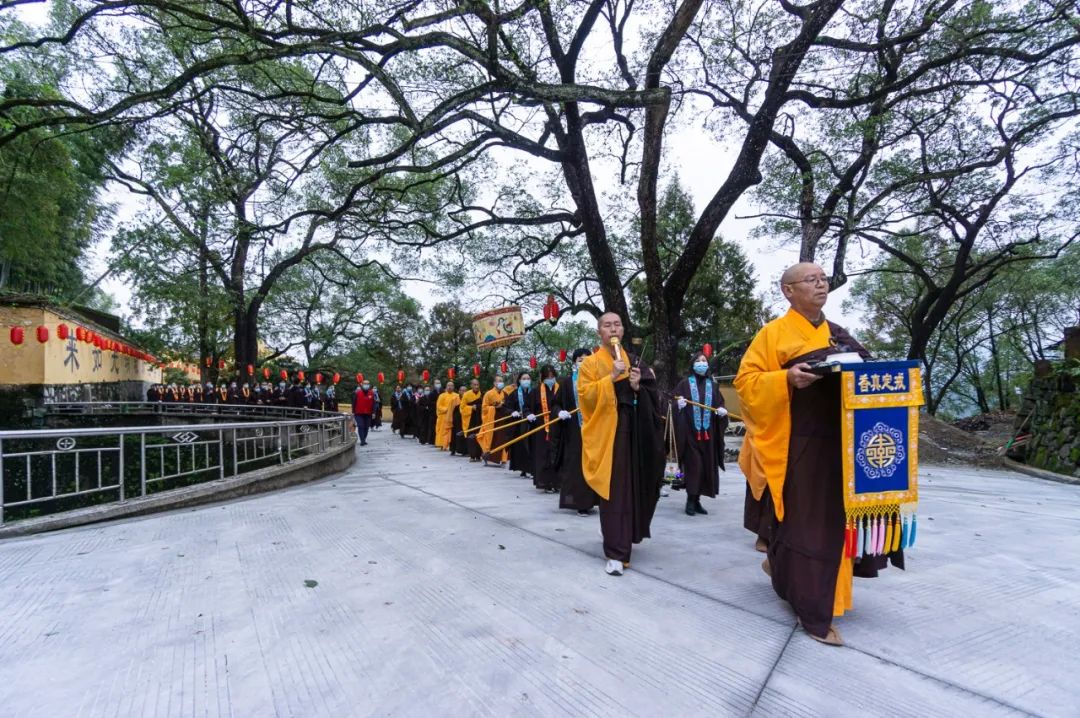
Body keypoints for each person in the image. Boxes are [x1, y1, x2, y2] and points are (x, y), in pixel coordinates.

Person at [735, 262, 899, 647]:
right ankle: (813, 610)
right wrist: (785, 379)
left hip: (842, 444)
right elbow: (746, 384)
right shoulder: (772, 335)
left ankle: (786, 572)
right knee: (808, 525)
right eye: (811, 280)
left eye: (824, 278)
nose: (821, 284)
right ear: (788, 290)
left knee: (831, 524)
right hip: (799, 445)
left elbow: (868, 373)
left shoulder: (838, 335)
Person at [577, 312, 666, 576]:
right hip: (609, 433)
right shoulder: (590, 364)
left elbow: (654, 395)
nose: (612, 328)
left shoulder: (636, 361)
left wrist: (639, 386)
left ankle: (629, 536)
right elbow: (585, 397)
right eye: (607, 325)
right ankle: (615, 552)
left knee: (635, 485)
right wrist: (610, 379)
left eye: (617, 324)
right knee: (615, 490)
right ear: (599, 332)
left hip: (635, 431)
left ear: (623, 330)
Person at [673, 353, 729, 517]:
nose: (701, 363)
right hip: (690, 434)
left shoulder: (714, 386)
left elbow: (719, 403)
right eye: (698, 361)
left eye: (704, 361)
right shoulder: (684, 384)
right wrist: (678, 405)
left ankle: (697, 500)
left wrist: (721, 411)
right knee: (693, 466)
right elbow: (671, 402)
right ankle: (690, 500)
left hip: (709, 435)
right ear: (692, 365)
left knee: (705, 467)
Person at [556, 349, 598, 516]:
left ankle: (594, 500)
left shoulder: (598, 380)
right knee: (577, 467)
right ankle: (581, 502)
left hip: (595, 430)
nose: (584, 362)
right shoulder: (567, 383)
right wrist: (560, 412)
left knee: (594, 465)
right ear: (574, 363)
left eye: (587, 359)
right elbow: (556, 404)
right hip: (575, 430)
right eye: (580, 359)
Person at [528, 364, 562, 493]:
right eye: (547, 376)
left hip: (558, 425)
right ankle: (545, 482)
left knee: (557, 454)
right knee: (543, 455)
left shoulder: (561, 389)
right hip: (541, 427)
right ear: (542, 377)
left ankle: (557, 482)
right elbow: (527, 407)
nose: (550, 378)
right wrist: (528, 414)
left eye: (552, 376)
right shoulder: (536, 391)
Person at [503, 372, 534, 478]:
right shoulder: (514, 394)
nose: (526, 380)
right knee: (521, 447)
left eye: (528, 378)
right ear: (519, 381)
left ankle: (532, 468)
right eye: (524, 378)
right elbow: (506, 407)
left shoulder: (534, 392)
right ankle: (524, 469)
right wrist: (512, 412)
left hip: (532, 423)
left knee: (532, 446)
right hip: (519, 424)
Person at [479, 374, 513, 466]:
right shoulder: (488, 394)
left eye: (502, 381)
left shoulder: (505, 394)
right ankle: (487, 457)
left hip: (503, 419)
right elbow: (484, 408)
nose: (501, 383)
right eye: (499, 381)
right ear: (494, 383)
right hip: (492, 420)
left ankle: (503, 459)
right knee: (491, 439)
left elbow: (508, 406)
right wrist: (494, 407)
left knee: (502, 439)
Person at [461, 378, 484, 461]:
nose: (476, 386)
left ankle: (479, 455)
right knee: (471, 438)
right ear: (471, 385)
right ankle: (472, 456)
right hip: (470, 419)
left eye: (477, 384)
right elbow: (462, 408)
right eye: (474, 385)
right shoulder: (466, 394)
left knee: (479, 436)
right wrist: (471, 408)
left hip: (479, 419)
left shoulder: (482, 394)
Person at [435, 380, 459, 450]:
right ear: (446, 387)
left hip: (452, 417)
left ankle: (450, 445)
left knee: (451, 432)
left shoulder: (456, 396)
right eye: (448, 385)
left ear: (453, 387)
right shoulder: (442, 396)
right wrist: (447, 409)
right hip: (443, 417)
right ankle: (442, 444)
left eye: (451, 386)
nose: (450, 387)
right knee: (443, 431)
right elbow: (439, 406)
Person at [352, 380, 376, 446]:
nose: (366, 385)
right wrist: (353, 412)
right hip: (359, 413)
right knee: (360, 426)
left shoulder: (371, 393)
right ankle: (362, 440)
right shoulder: (357, 393)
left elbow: (373, 404)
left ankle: (364, 439)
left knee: (366, 427)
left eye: (367, 384)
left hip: (368, 413)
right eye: (365, 384)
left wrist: (374, 412)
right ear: (362, 384)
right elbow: (354, 403)